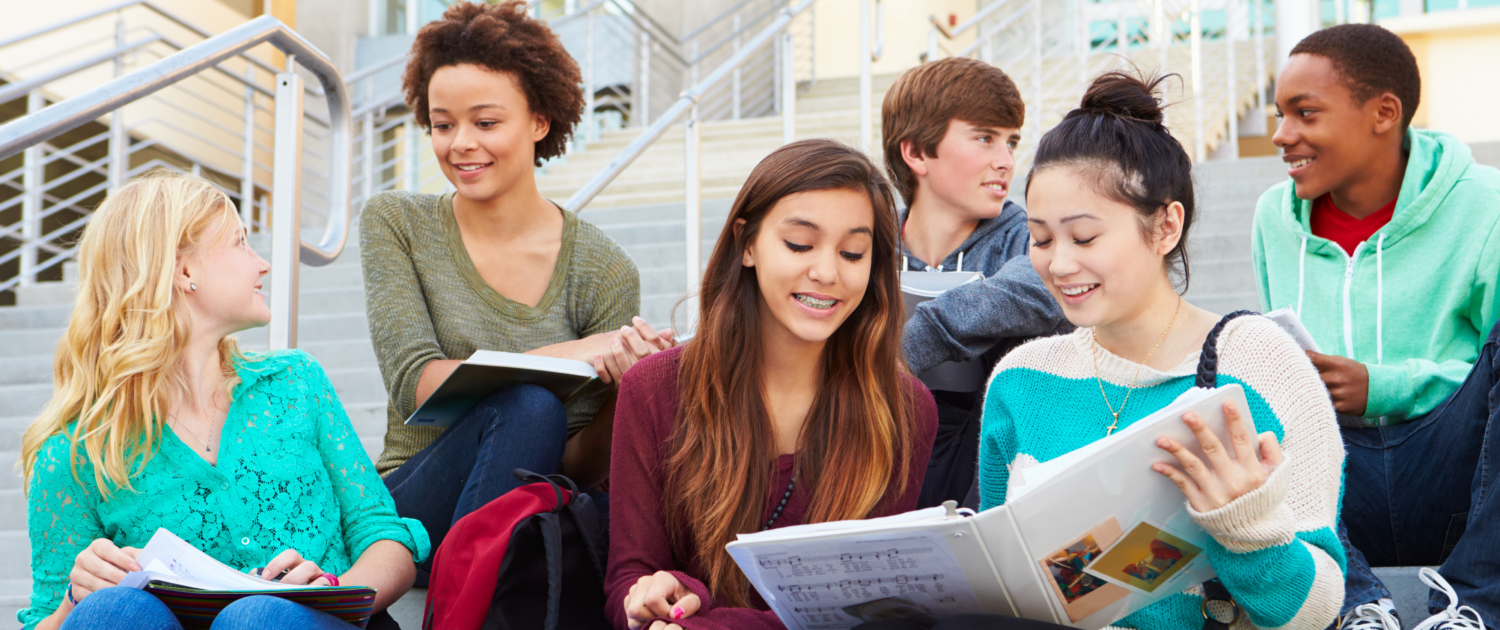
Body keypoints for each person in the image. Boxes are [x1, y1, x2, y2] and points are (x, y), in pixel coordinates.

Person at [969, 72, 1346, 630]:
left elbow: (1317, 610)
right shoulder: (1020, 379)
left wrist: (1246, 528)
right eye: (1042, 239)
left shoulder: (1260, 362)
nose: (1059, 264)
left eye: (1085, 237)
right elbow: (1001, 581)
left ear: (1166, 225)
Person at [17, 171, 428, 630]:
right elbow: (44, 619)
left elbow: (384, 536)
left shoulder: (296, 383)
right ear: (185, 271)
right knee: (114, 610)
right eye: (240, 243)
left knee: (258, 619)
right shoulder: (74, 453)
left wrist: (334, 592)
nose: (262, 264)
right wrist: (76, 598)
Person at [360, 0, 671, 580]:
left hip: (518, 511)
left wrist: (627, 394)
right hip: (411, 509)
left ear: (539, 121)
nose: (459, 145)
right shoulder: (396, 223)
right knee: (530, 403)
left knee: (553, 436)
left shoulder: (602, 268)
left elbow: (573, 462)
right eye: (443, 124)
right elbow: (415, 385)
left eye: (485, 122)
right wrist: (576, 353)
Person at [604, 139, 940, 630]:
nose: (826, 272)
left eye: (852, 252)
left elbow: (863, 611)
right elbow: (626, 581)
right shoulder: (652, 388)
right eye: (800, 244)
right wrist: (658, 598)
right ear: (746, 244)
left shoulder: (905, 409)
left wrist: (707, 623)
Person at [1251, 23, 1500, 630]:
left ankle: (1474, 606)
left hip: (1454, 472)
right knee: (1242, 365)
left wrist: (1380, 385)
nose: (1283, 136)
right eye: (1280, 116)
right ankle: (1355, 600)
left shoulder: (1484, 203)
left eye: (1305, 114)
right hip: (1333, 482)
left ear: (1383, 112)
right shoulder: (1271, 218)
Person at [882, 57, 1072, 507]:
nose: (1006, 161)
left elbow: (1037, 287)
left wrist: (900, 348)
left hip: (987, 471)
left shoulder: (1029, 237)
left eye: (1011, 143)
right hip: (878, 452)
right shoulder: (866, 244)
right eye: (985, 138)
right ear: (916, 152)